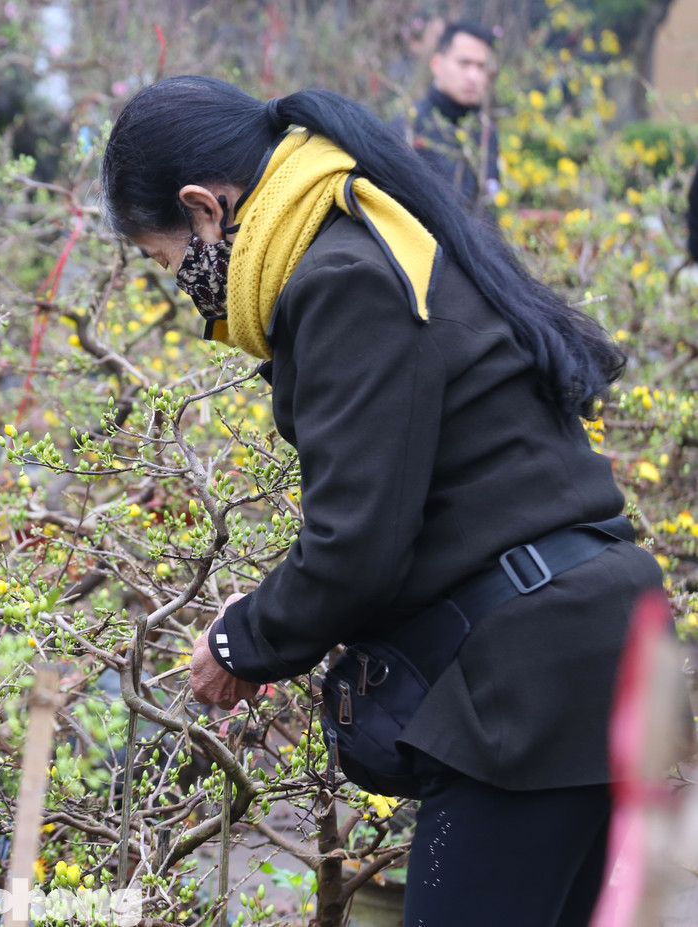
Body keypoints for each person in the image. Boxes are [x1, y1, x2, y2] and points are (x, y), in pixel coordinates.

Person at [100, 75, 676, 926]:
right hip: (592, 652)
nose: (181, 286)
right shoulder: (378, 237)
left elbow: (355, 546)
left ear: (205, 209)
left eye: (165, 258)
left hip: (528, 689)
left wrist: (240, 640)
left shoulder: (344, 275)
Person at [401, 20, 500, 211]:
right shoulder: (410, 127)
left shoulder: (485, 130)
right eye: (464, 63)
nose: (473, 76)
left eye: (481, 67)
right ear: (437, 64)